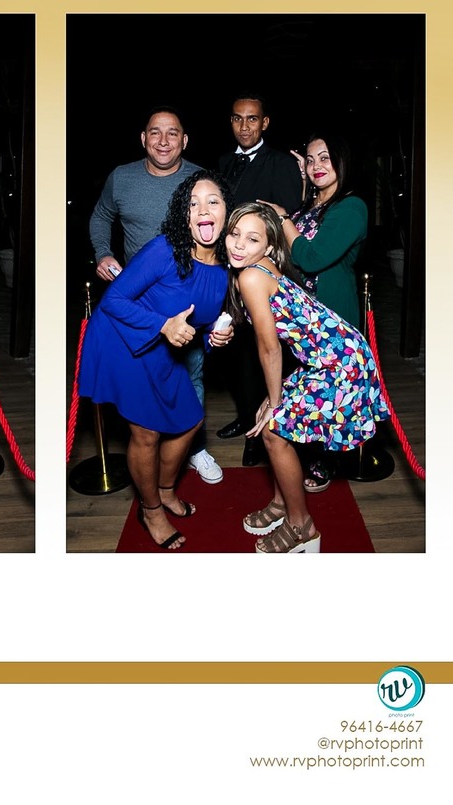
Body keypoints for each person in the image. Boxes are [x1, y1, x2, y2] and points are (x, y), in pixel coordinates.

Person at [77, 170, 235, 550]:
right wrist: (163, 325)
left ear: (227, 211)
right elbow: (114, 300)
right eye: (193, 203)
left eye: (213, 201)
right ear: (184, 215)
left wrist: (216, 336)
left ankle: (164, 490)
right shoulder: (164, 250)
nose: (203, 210)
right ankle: (150, 510)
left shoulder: (228, 268)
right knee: (146, 433)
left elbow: (204, 322)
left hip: (166, 347)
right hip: (123, 339)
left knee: (190, 420)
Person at [224, 202, 389, 552]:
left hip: (340, 362)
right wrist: (274, 397)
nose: (239, 244)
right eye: (234, 234)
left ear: (269, 246)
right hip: (330, 354)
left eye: (252, 239)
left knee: (273, 430)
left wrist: (275, 402)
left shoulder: (250, 277)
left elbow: (269, 348)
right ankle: (282, 504)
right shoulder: (260, 266)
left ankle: (302, 527)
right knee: (276, 425)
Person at [87, 107, 220, 483]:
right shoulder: (121, 177)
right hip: (139, 301)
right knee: (143, 388)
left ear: (185, 141)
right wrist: (103, 252)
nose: (164, 141)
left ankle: (192, 448)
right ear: (143, 138)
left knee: (191, 373)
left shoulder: (200, 181)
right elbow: (100, 216)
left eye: (173, 133)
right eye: (155, 133)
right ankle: (151, 455)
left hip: (187, 302)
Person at [260, 133, 368, 492]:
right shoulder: (312, 205)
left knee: (327, 396)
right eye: (310, 159)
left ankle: (326, 460)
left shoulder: (352, 207)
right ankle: (301, 454)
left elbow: (311, 256)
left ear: (341, 161)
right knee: (305, 391)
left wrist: (282, 217)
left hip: (332, 321)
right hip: (302, 322)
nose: (317, 165)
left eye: (325, 158)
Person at [214, 93, 307, 467]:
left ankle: (261, 434)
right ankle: (244, 415)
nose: (245, 126)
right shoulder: (223, 161)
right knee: (235, 352)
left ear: (265, 123)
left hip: (261, 272)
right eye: (238, 118)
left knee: (264, 351)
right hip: (228, 268)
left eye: (252, 119)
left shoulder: (280, 163)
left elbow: (287, 219)